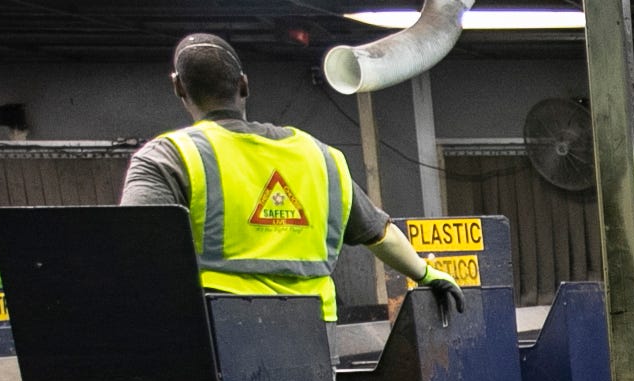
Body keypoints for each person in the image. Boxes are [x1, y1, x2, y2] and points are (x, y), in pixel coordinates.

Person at [120, 33, 462, 323]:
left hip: (220, 334)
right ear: (244, 85)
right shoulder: (320, 156)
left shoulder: (167, 158)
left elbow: (134, 249)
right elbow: (380, 233)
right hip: (314, 337)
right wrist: (427, 274)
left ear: (179, 87)